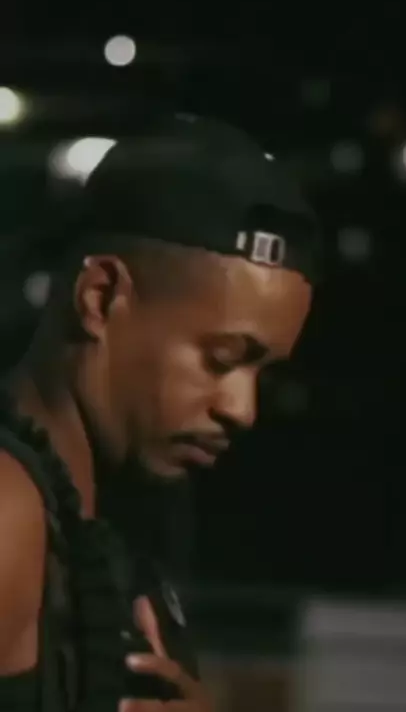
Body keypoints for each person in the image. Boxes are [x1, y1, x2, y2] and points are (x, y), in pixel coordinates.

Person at [0, 114, 318, 710]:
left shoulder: (124, 516)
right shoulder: (7, 510)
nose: (243, 410)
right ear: (100, 297)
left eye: (263, 373)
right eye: (221, 358)